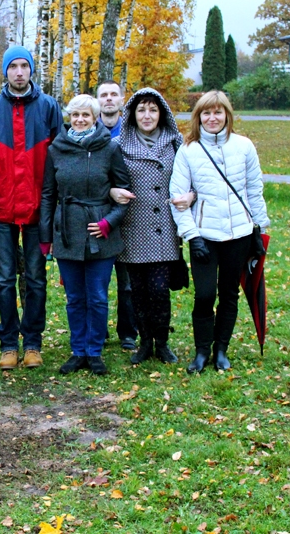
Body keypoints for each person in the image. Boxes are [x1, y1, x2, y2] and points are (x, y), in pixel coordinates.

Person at [170, 90, 270, 373]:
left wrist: (258, 229)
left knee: (229, 293)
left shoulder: (244, 146)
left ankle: (221, 349)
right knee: (204, 294)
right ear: (198, 117)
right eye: (206, 113)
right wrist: (192, 235)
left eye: (218, 112)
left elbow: (254, 189)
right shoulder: (189, 150)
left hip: (238, 233)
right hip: (204, 235)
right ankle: (201, 351)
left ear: (227, 114)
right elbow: (178, 197)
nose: (212, 118)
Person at [0, 46, 62, 371]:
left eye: (23, 66)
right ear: (5, 71)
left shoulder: (48, 108)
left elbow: (58, 156)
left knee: (35, 278)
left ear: (31, 71)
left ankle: (33, 342)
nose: (18, 72)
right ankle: (8, 343)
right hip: (1, 207)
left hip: (37, 208)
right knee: (3, 279)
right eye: (12, 66)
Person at [40, 94, 131, 376]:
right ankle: (77, 350)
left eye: (86, 116)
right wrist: (46, 235)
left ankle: (94, 351)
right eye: (75, 115)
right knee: (74, 298)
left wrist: (109, 222)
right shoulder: (57, 148)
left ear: (95, 118)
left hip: (100, 232)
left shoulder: (109, 148)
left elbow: (124, 193)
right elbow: (47, 194)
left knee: (98, 297)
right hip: (66, 230)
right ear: (69, 118)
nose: (80, 120)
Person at [115, 88, 194, 366]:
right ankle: (144, 342)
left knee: (159, 290)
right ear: (132, 115)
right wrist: (113, 191)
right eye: (141, 110)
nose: (146, 115)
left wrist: (191, 196)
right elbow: (107, 178)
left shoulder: (177, 144)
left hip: (164, 229)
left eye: (152, 109)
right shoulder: (120, 145)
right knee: (137, 291)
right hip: (133, 228)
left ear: (161, 114)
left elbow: (192, 180)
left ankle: (162, 342)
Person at [95, 80, 138, 351]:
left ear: (122, 99)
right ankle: (96, 332)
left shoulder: (132, 132)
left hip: (129, 216)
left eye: (114, 94)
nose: (109, 99)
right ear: (97, 101)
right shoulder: (87, 129)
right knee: (96, 282)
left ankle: (128, 332)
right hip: (96, 214)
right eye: (103, 95)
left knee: (127, 281)